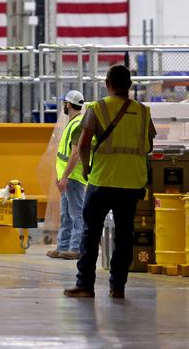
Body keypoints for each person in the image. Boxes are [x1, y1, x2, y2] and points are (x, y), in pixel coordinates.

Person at [60, 64, 154, 300]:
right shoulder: (143, 111)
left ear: (107, 84)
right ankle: (117, 288)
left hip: (101, 181)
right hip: (132, 183)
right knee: (124, 236)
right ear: (130, 86)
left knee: (91, 235)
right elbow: (149, 146)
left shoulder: (97, 108)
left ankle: (85, 286)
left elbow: (83, 145)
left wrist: (87, 168)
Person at [48, 90, 88, 260]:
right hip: (66, 176)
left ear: (68, 104)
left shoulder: (78, 124)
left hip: (73, 177)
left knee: (77, 213)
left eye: (64, 103)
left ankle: (75, 248)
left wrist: (64, 177)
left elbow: (75, 154)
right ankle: (63, 246)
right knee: (66, 214)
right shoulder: (72, 123)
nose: (63, 106)